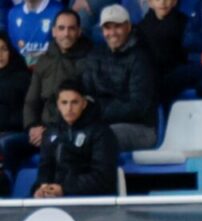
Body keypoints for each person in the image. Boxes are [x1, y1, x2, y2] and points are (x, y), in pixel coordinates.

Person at [80, 4, 159, 152]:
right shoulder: (95, 55)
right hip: (102, 123)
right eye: (107, 28)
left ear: (128, 27)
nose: (112, 33)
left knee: (101, 137)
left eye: (117, 26)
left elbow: (138, 105)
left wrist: (100, 113)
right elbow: (87, 93)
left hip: (141, 128)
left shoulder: (140, 58)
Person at [22, 9, 92, 160]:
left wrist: (50, 131)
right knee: (8, 148)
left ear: (79, 32)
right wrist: (33, 127)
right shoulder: (44, 60)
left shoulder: (90, 60)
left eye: (71, 28)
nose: (66, 34)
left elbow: (89, 103)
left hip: (72, 129)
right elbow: (31, 101)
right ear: (54, 32)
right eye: (61, 28)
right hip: (42, 129)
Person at [33, 79, 119, 198]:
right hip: (54, 200)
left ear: (84, 104)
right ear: (58, 105)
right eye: (64, 102)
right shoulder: (51, 133)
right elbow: (45, 169)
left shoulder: (101, 133)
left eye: (74, 102)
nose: (69, 108)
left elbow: (103, 178)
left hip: (90, 203)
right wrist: (42, 188)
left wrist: (64, 189)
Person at [135, 0, 187, 106]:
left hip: (174, 73)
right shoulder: (141, 27)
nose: (163, 2)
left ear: (175, 2)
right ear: (149, 3)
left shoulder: (184, 23)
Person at [0, 31, 31, 194]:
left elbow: (28, 114)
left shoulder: (22, 77)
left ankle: (5, 188)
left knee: (4, 144)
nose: (0, 55)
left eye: (3, 49)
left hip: (18, 133)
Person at [6, 0, 62, 65]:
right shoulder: (13, 13)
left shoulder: (58, 10)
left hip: (51, 67)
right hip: (21, 70)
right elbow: (14, 47)